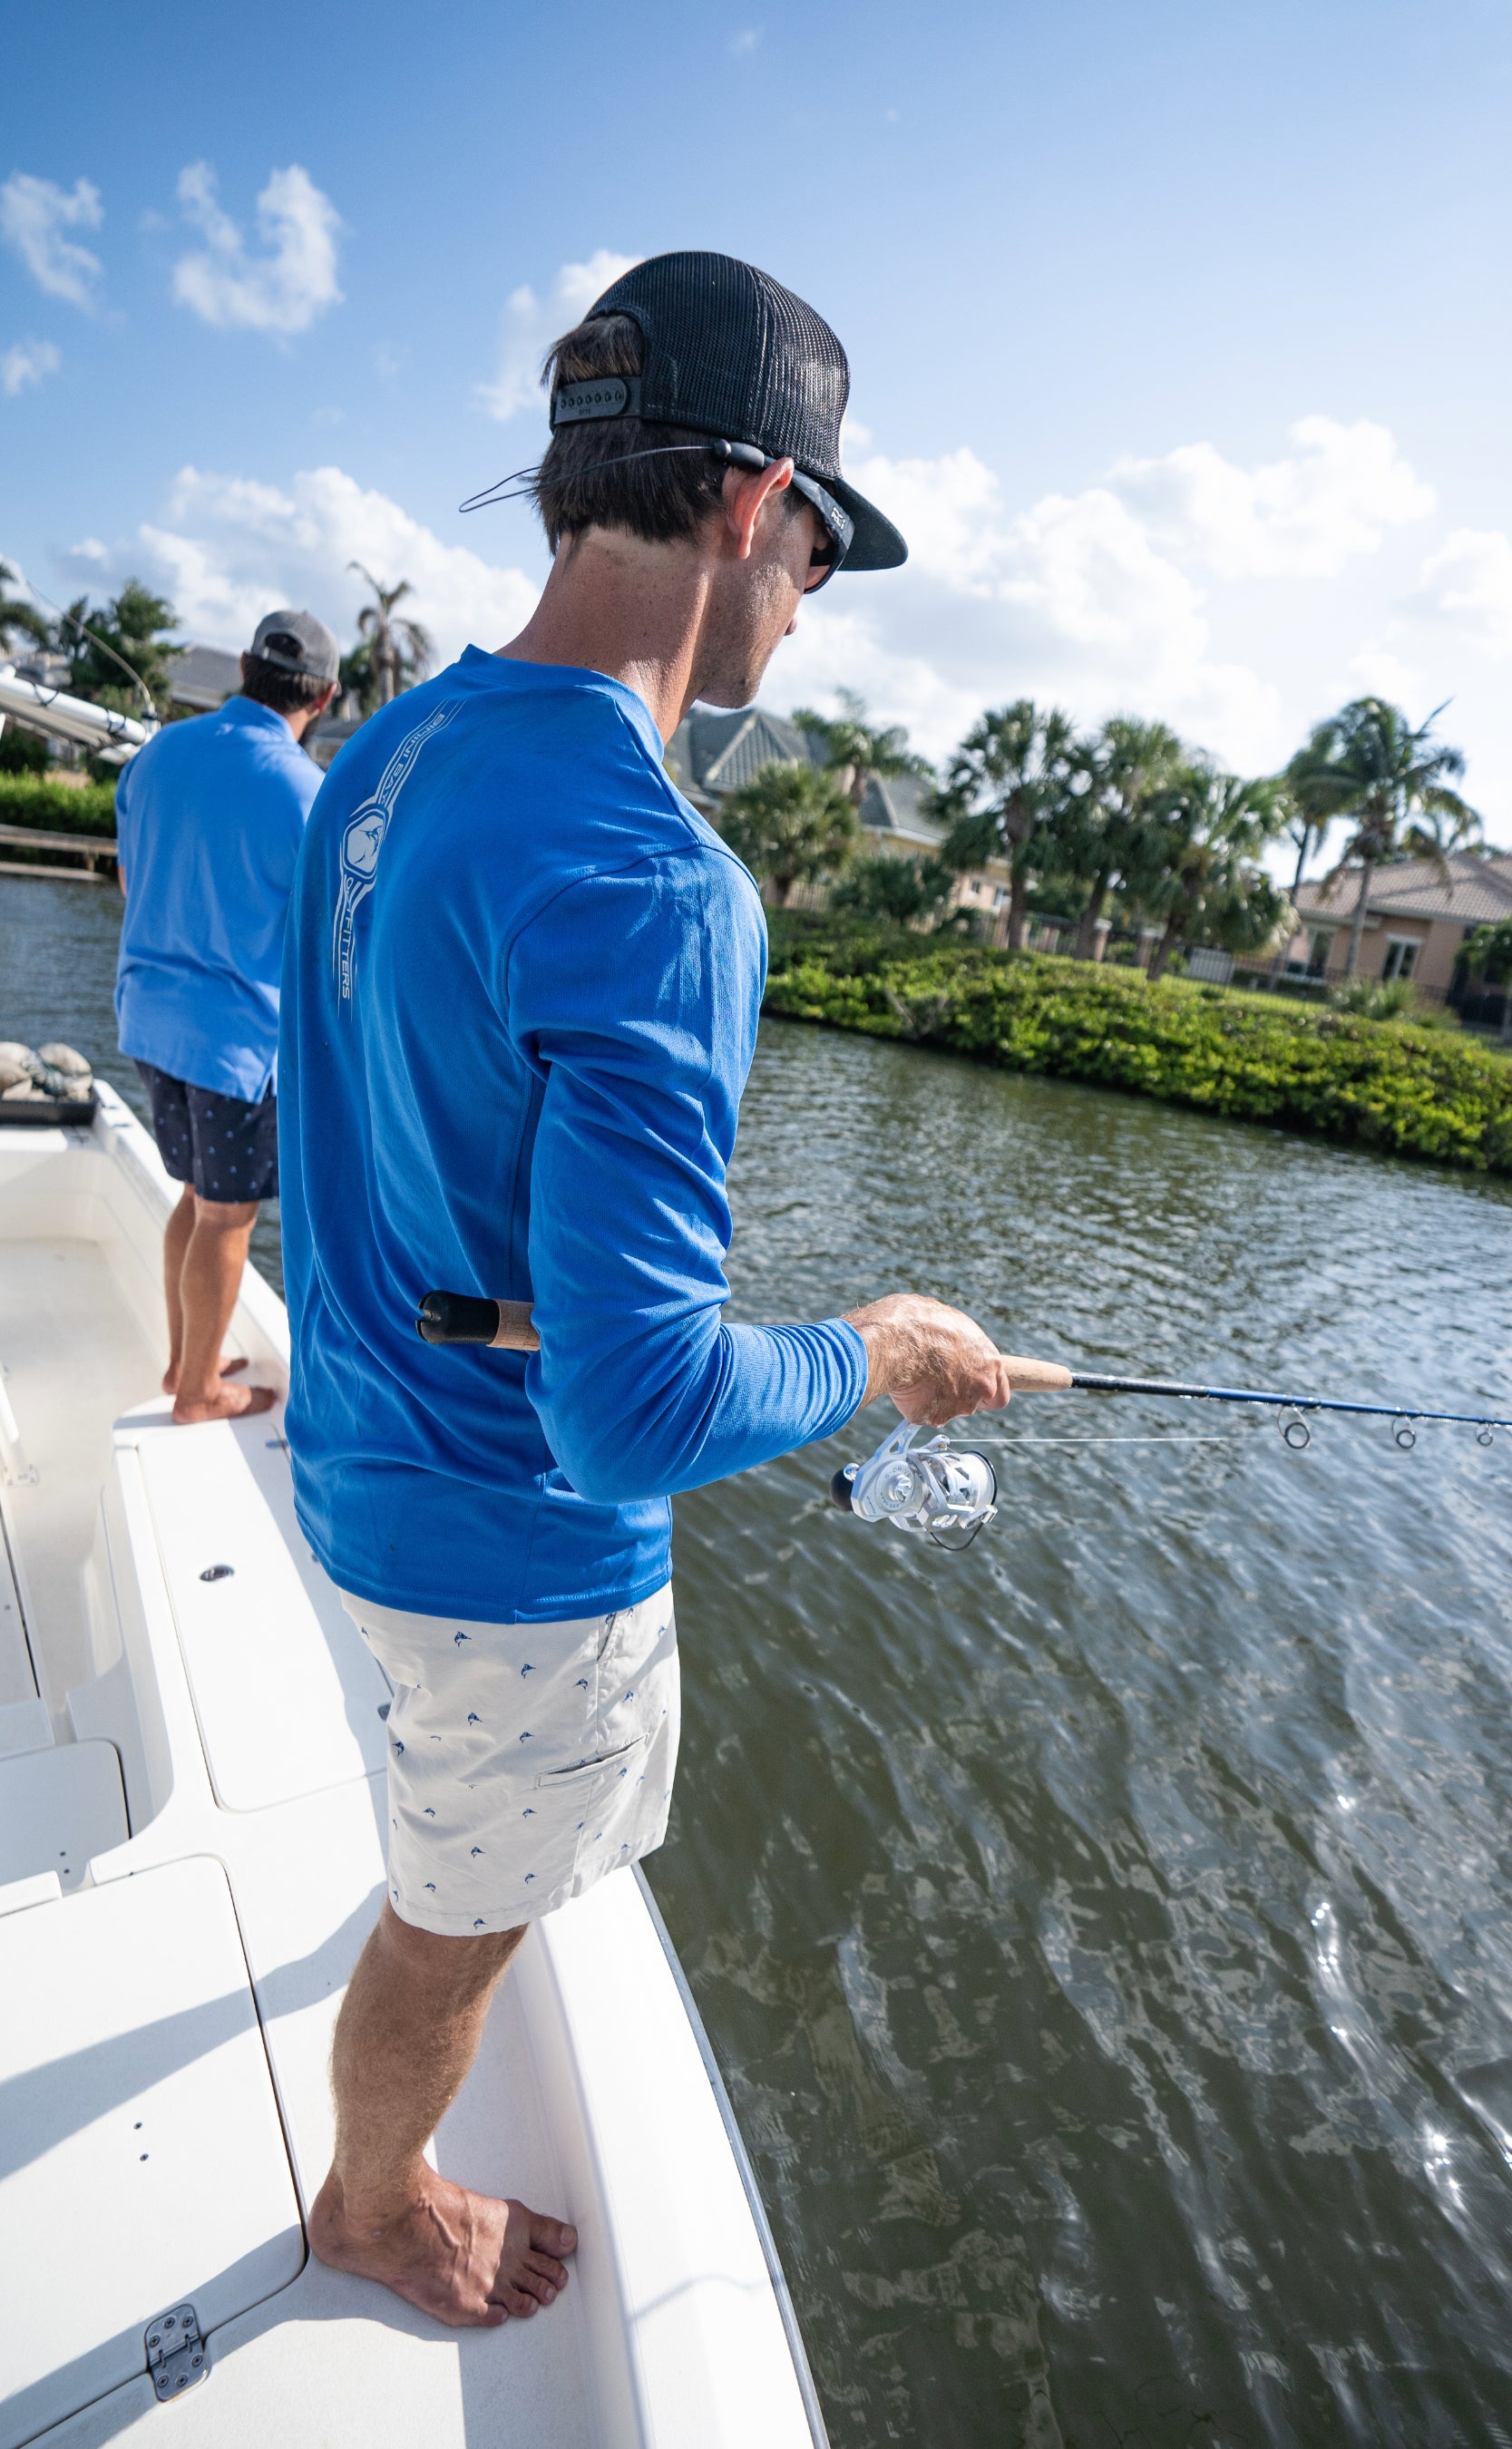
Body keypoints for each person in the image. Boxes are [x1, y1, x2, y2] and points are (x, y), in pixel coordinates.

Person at [278, 251, 1008, 2331]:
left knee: (454, 1847)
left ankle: (426, 1933)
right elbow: (632, 1413)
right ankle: (371, 2188)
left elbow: (381, 1144)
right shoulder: (658, 877)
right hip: (503, 1552)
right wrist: (874, 1349)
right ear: (759, 500)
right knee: (458, 1926)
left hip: (357, 1468)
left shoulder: (387, 758)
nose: (814, 594)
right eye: (825, 550)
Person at [115, 610, 338, 1422]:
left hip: (147, 1021)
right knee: (226, 1215)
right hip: (234, 1045)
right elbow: (332, 937)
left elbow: (129, 883)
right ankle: (202, 1392)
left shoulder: (156, 754)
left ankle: (186, 1363)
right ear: (326, 695)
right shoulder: (306, 793)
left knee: (193, 1195)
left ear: (243, 666)